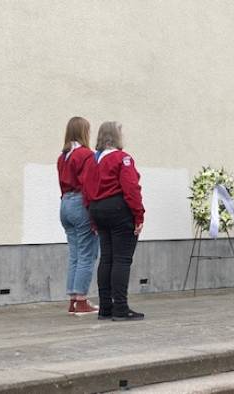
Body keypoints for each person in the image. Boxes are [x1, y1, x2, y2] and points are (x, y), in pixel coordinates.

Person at [85, 121, 145, 321]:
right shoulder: (122, 158)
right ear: (116, 137)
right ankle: (120, 307)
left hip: (97, 209)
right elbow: (131, 188)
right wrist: (139, 215)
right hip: (119, 209)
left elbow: (86, 190)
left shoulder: (92, 161)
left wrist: (92, 218)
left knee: (107, 258)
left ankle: (105, 307)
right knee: (122, 259)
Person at [57, 116, 99, 315]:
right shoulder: (85, 154)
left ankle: (73, 300)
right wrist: (94, 212)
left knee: (74, 254)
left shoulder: (63, 156)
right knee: (87, 254)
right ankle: (81, 300)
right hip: (79, 202)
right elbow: (89, 184)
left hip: (65, 202)